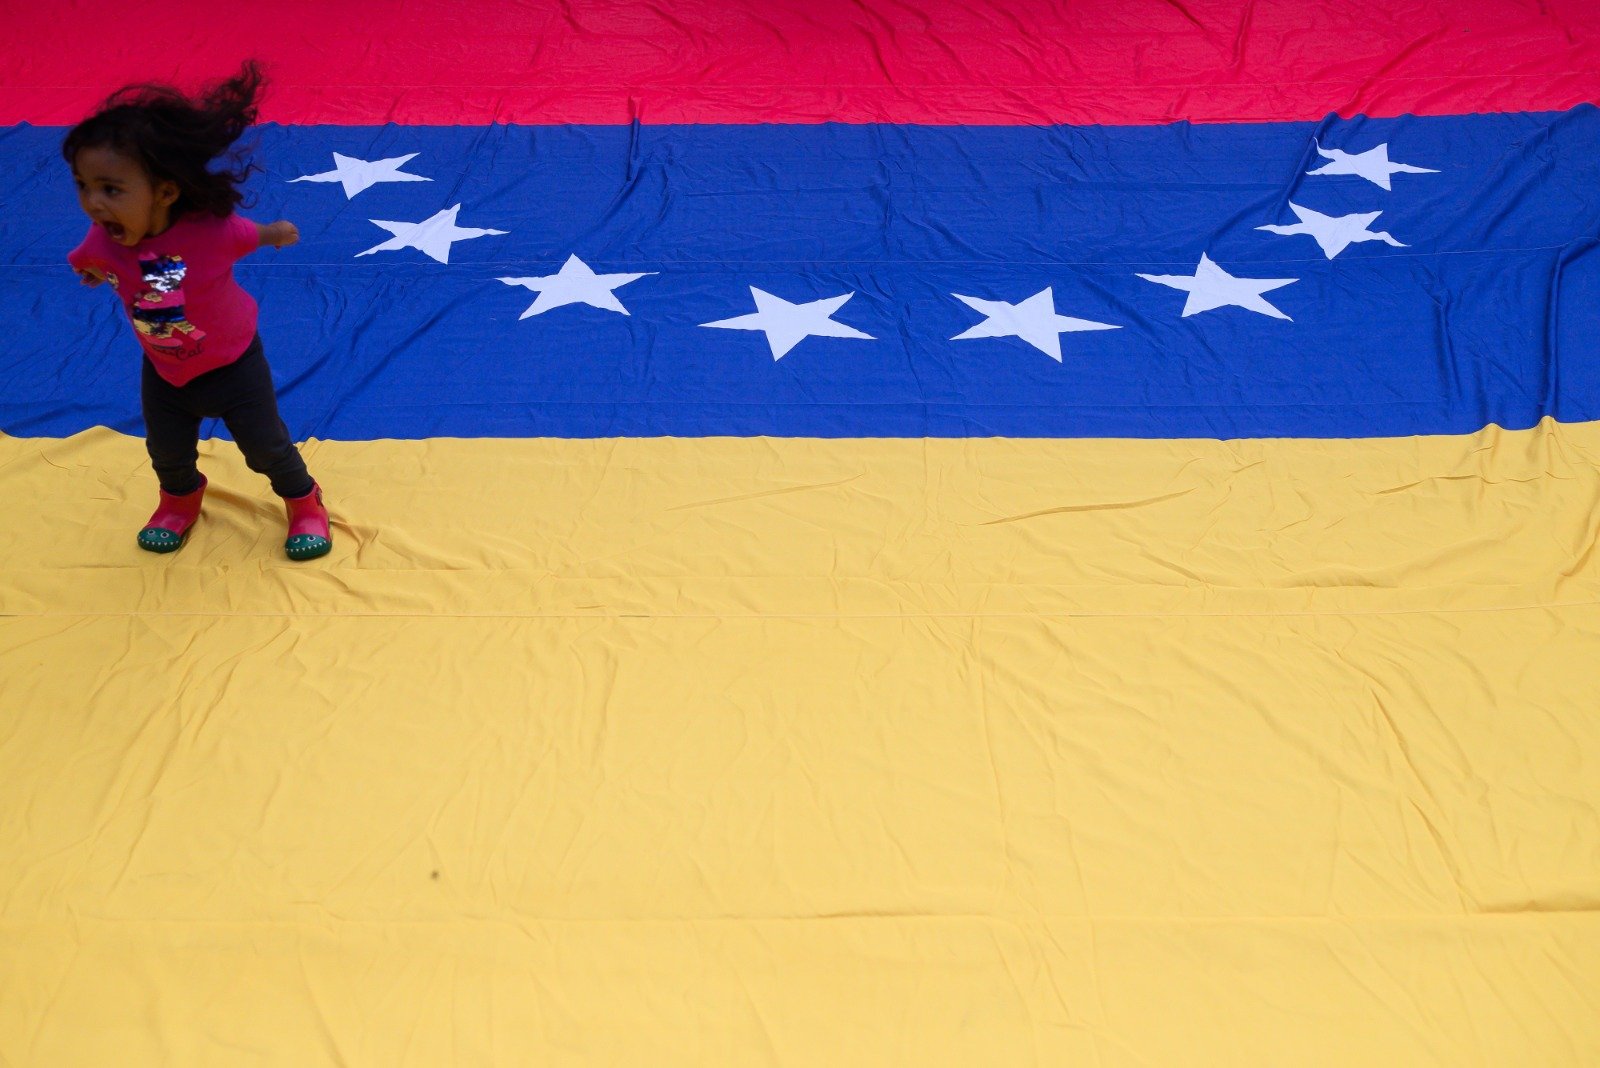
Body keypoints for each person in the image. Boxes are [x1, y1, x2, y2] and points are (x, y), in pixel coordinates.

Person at [63, 60, 331, 561]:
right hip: (164, 369)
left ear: (164, 191)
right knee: (165, 450)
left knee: (266, 447)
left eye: (111, 189)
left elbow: (252, 234)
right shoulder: (105, 238)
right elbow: (91, 261)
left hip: (235, 365)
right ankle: (179, 499)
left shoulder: (210, 233)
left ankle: (303, 499)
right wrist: (92, 272)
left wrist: (277, 233)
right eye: (84, 185)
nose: (93, 203)